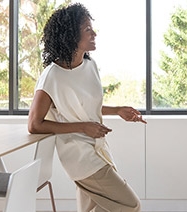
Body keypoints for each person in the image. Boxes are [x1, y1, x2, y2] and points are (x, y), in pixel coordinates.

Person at [27, 3, 145, 212]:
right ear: (71, 35)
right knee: (131, 205)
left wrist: (117, 110)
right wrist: (83, 127)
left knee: (95, 208)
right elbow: (34, 124)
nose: (94, 34)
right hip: (79, 155)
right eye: (87, 29)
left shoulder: (90, 66)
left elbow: (86, 107)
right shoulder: (52, 76)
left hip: (98, 148)